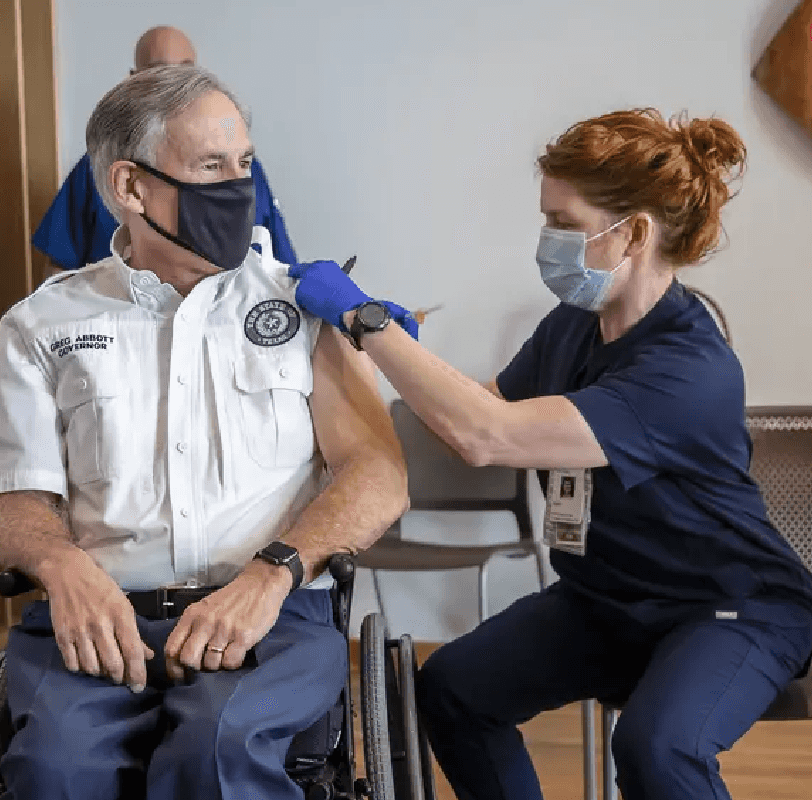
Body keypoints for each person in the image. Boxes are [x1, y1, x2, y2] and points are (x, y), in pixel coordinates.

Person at [289, 108, 812, 800]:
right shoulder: (572, 326)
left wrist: (371, 324)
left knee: (657, 748)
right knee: (452, 690)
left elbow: (488, 436)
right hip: (607, 599)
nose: (547, 241)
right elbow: (483, 410)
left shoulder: (688, 368)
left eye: (564, 224)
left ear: (634, 234)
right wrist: (395, 351)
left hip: (728, 607)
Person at [0, 64, 408, 800]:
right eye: (211, 169)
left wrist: (273, 573)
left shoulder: (304, 305)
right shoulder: (43, 324)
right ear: (130, 188)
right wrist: (64, 569)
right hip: (101, 616)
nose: (239, 189)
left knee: (219, 752)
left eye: (245, 166)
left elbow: (378, 476)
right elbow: (14, 504)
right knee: (54, 773)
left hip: (272, 614)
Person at [31, 25, 297, 276]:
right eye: (160, 72)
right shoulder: (94, 169)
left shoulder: (241, 168)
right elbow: (61, 266)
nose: (175, 85)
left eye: (185, 72)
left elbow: (280, 265)